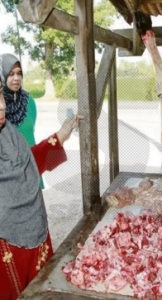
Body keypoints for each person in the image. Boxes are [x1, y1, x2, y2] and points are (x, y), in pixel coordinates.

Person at [0, 77, 83, 300]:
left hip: (35, 236)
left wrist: (60, 137)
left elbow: (29, 164)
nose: (2, 105)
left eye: (0, 94)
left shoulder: (9, 135)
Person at [0, 53, 44, 187]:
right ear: (2, 75)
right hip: (8, 173)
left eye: (19, 73)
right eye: (11, 74)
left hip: (31, 167)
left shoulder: (29, 100)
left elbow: (30, 130)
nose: (16, 78)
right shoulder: (1, 105)